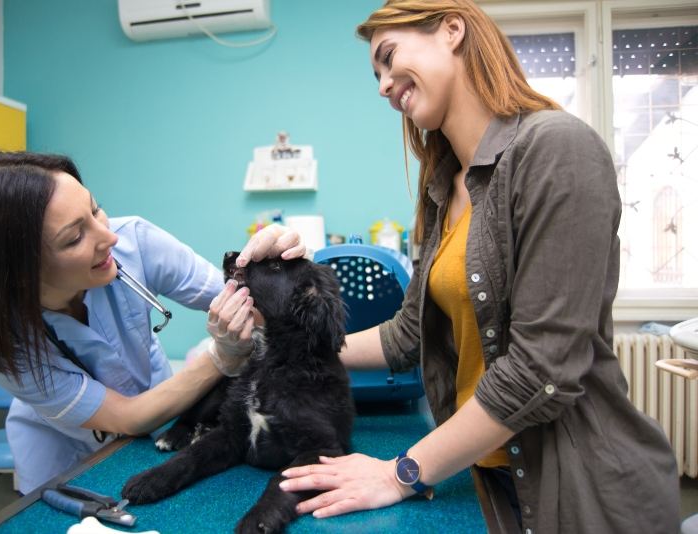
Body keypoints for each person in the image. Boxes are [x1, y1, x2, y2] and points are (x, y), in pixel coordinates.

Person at [279, 1, 680, 532]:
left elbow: (539, 372)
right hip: (492, 479)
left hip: (585, 493)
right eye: (375, 73)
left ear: (451, 30)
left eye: (389, 56)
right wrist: (281, 346)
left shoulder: (557, 148)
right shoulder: (444, 190)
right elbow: (408, 335)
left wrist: (398, 475)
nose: (381, 85)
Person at [0, 151, 305, 494]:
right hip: (58, 452)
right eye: (74, 237)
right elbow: (126, 416)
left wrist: (282, 269)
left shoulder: (136, 242)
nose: (109, 238)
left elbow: (253, 310)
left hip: (161, 419)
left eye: (95, 209)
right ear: (20, 273)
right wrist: (221, 358)